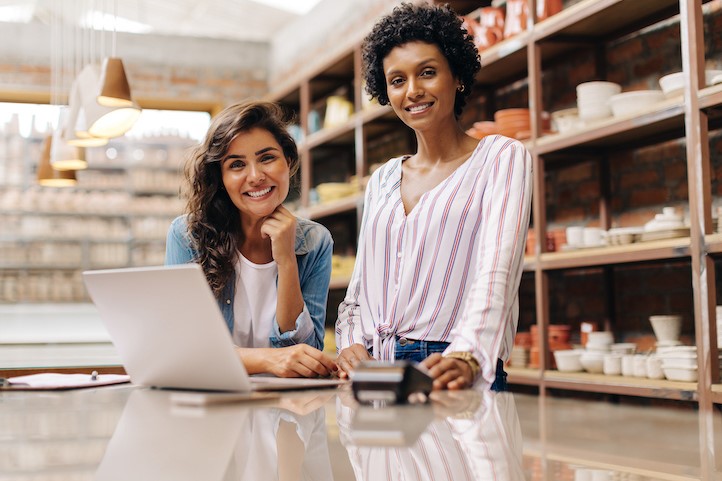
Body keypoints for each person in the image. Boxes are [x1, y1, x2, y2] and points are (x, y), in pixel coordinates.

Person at [335, 3, 533, 391]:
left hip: (453, 365)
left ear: (456, 75)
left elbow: (498, 271)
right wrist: (351, 344)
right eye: (397, 80)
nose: (413, 91)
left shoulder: (501, 158)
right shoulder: (382, 179)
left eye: (427, 72)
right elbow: (359, 290)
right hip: (378, 372)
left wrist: (469, 353)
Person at [166, 101, 336, 378]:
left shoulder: (316, 241)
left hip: (287, 410)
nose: (256, 177)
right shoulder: (187, 237)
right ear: (220, 178)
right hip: (215, 408)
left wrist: (287, 261)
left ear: (288, 163)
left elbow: (305, 356)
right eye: (236, 165)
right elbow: (182, 349)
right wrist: (268, 360)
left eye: (267, 158)